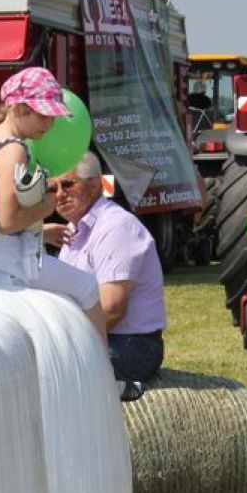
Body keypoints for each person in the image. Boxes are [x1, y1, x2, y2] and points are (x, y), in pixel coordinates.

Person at [0, 68, 107, 340]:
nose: (50, 125)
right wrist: (49, 204)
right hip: (6, 257)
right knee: (88, 287)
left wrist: (41, 230)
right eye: (44, 116)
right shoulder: (14, 149)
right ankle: (105, 372)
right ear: (18, 109)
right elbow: (7, 222)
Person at [43, 151, 166, 384]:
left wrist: (60, 341)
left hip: (132, 346)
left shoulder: (116, 226)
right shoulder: (74, 231)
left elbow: (111, 309)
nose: (59, 195)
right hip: (101, 337)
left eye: (68, 184)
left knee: (52, 375)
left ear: (96, 183)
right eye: (52, 188)